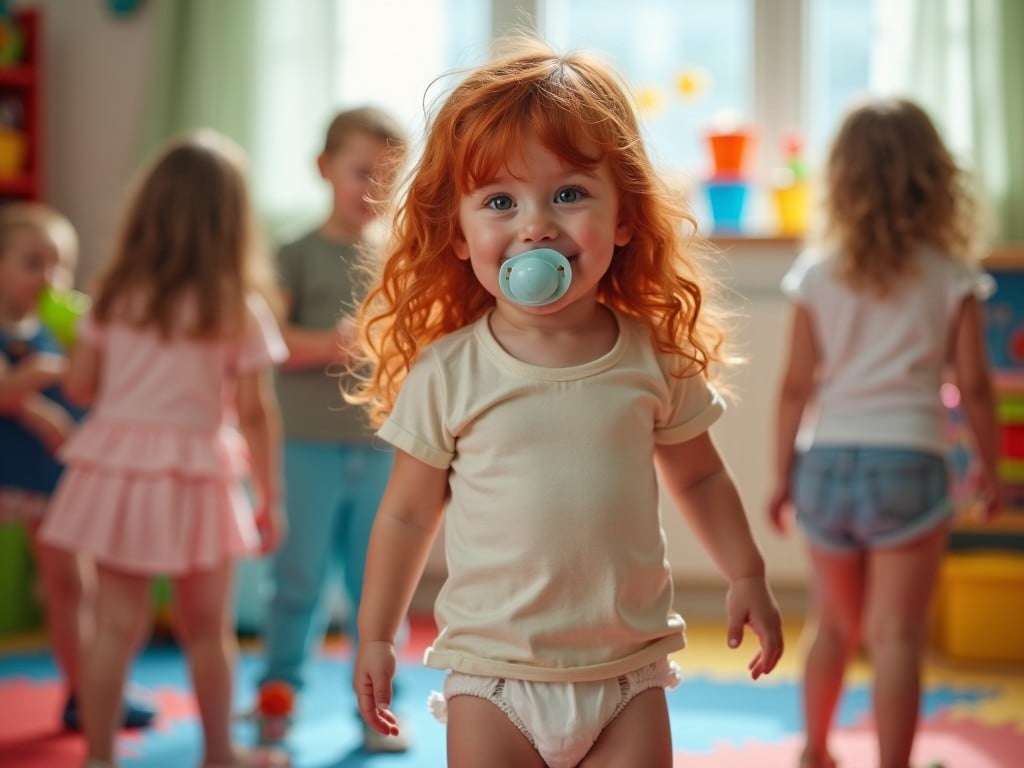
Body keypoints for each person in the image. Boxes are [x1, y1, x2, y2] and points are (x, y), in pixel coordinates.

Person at [347, 39, 785, 768]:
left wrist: (746, 571)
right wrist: (375, 633)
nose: (536, 226)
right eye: (499, 201)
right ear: (458, 233)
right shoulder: (448, 371)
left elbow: (701, 476)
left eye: (569, 194)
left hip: (628, 674)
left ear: (623, 216)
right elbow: (406, 513)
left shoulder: (651, 356)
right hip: (493, 678)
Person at [39, 131, 290, 768]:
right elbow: (258, 414)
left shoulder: (114, 294)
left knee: (115, 627)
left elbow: (81, 387)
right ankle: (217, 754)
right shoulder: (239, 306)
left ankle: (99, 757)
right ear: (231, 219)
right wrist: (270, 497)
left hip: (121, 470)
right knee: (208, 631)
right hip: (199, 473)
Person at [767, 98, 1002, 768]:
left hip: (826, 461)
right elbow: (975, 387)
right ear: (934, 178)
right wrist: (990, 467)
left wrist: (781, 478)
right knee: (898, 635)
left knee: (833, 626)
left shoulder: (817, 272)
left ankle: (814, 749)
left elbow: (794, 388)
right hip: (909, 460)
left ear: (841, 179)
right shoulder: (950, 273)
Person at [254, 106, 411, 754]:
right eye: (361, 173)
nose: (373, 189)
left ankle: (378, 714)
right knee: (297, 583)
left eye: (387, 177)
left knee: (380, 589)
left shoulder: (401, 258)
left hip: (380, 447)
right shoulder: (294, 253)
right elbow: (267, 341)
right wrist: (333, 343)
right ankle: (275, 707)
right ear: (325, 170)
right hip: (304, 444)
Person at [0, 202, 156, 733]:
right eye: (32, 263)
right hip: (9, 472)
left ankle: (87, 690)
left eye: (60, 265)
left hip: (50, 479)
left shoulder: (59, 327)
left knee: (71, 585)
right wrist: (36, 386)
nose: (49, 278)